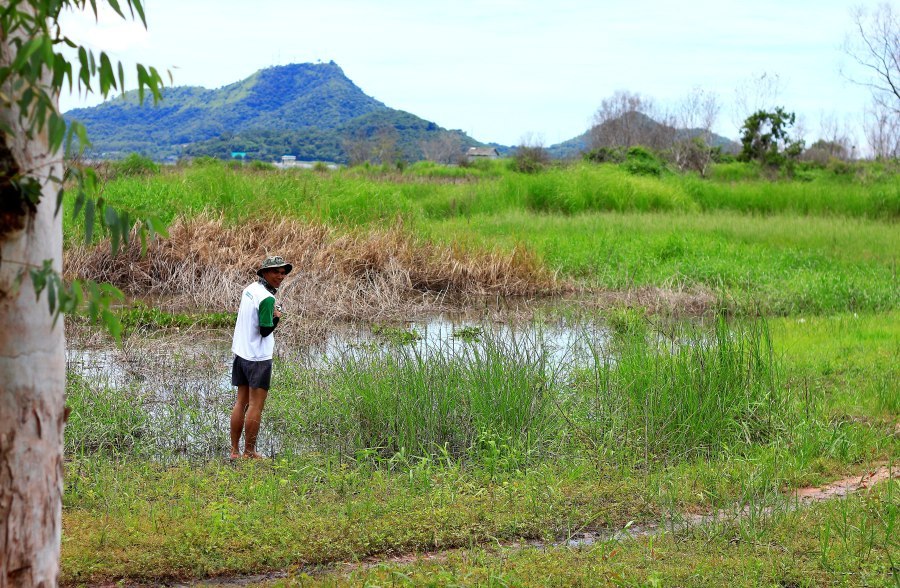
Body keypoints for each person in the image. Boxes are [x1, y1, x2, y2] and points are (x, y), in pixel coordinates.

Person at [229, 255, 291, 459]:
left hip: (241, 353)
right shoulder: (267, 298)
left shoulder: (249, 290)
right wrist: (277, 317)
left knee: (241, 402)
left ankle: (234, 452)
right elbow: (265, 331)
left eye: (283, 273)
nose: (280, 277)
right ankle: (249, 452)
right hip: (258, 358)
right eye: (275, 272)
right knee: (255, 405)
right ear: (264, 272)